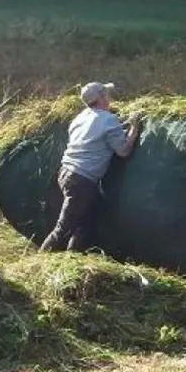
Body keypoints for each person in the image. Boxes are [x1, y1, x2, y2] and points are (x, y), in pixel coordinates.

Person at [39, 82, 141, 253]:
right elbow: (123, 150)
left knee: (84, 225)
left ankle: (72, 259)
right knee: (62, 229)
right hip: (82, 180)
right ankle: (37, 264)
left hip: (65, 173)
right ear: (101, 99)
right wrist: (133, 131)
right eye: (107, 95)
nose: (110, 98)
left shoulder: (80, 117)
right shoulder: (108, 119)